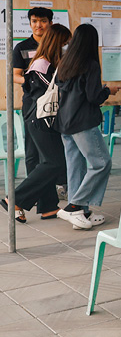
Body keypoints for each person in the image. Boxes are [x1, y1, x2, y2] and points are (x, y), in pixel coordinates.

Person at [1, 24, 70, 222]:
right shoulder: (41, 64)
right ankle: (14, 199)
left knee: (51, 162)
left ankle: (48, 207)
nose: (66, 46)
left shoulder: (49, 62)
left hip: (45, 118)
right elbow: (52, 89)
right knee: (53, 163)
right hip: (40, 118)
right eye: (64, 42)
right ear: (56, 42)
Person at [54, 24, 118, 230]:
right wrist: (107, 90)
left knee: (76, 166)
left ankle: (81, 213)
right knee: (101, 163)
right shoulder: (90, 65)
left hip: (65, 122)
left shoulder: (66, 63)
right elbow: (93, 97)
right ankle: (73, 206)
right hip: (82, 122)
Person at [10, 7, 54, 221]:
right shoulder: (22, 47)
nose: (38, 25)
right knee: (33, 155)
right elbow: (14, 75)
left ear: (50, 22)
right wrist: (31, 78)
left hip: (55, 106)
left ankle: (48, 206)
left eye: (42, 21)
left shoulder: (56, 47)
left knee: (50, 156)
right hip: (32, 105)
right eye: (34, 21)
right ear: (30, 23)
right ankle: (22, 202)